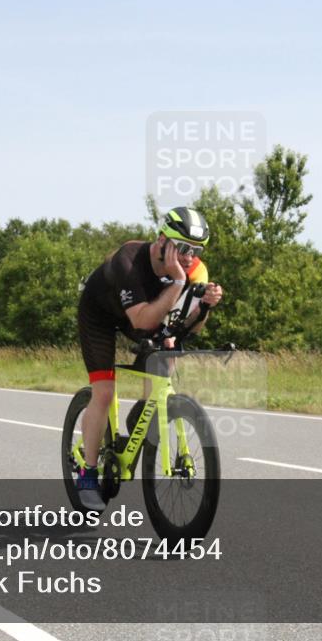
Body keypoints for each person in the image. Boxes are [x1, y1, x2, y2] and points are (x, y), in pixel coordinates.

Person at [75, 207, 223, 511]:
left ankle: (141, 413)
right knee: (104, 393)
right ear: (161, 240)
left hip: (143, 312)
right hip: (100, 314)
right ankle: (88, 474)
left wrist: (204, 309)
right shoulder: (129, 261)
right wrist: (178, 283)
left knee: (167, 356)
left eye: (196, 250)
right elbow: (142, 322)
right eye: (182, 247)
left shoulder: (196, 270)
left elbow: (187, 326)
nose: (188, 257)